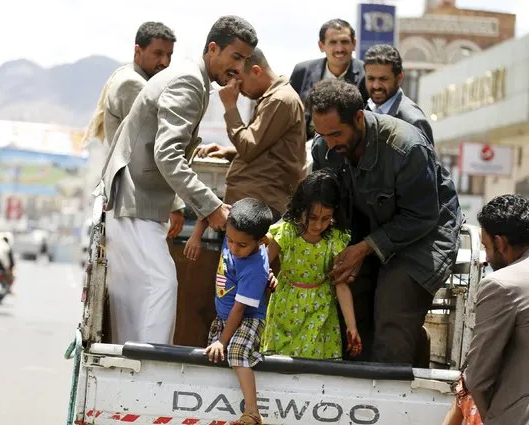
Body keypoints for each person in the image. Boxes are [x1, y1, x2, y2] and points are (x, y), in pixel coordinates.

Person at [99, 16, 258, 345]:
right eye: (236, 57)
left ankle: (134, 373)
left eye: (245, 61)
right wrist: (211, 207)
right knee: (161, 284)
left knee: (134, 299)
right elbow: (168, 155)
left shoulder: (193, 78)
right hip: (135, 198)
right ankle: (153, 365)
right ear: (213, 48)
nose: (240, 69)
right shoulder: (189, 81)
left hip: (135, 198)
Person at [308, 79, 461, 365]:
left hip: (423, 235)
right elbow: (326, 203)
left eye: (336, 134)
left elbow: (423, 216)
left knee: (394, 303)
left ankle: (388, 396)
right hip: (365, 234)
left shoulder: (406, 146)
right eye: (322, 134)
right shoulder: (324, 147)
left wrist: (365, 249)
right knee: (343, 298)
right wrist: (342, 251)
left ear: (358, 118)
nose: (329, 143)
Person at [186, 47, 307, 261]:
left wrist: (230, 106)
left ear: (257, 71)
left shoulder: (280, 100)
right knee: (231, 282)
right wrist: (230, 152)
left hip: (258, 211)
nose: (237, 90)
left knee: (246, 283)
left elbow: (249, 147)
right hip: (248, 207)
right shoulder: (272, 98)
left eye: (239, 81)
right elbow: (268, 150)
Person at [464, 194, 529, 425]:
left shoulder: (502, 284)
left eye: (486, 246)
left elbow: (478, 378)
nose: (486, 257)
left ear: (500, 243)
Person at [83, 22, 183, 240]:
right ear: (138, 51)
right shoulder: (133, 84)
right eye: (157, 53)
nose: (164, 62)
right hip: (134, 199)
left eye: (169, 55)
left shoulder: (133, 77)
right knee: (160, 274)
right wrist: (175, 204)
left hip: (131, 199)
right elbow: (148, 147)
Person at [261, 169, 362, 359]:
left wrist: (352, 326)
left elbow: (340, 284)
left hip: (321, 311)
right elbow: (262, 264)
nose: (317, 225)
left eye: (326, 219)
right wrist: (267, 274)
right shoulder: (286, 232)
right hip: (284, 309)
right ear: (300, 208)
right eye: (313, 217)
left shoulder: (335, 240)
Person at [205, 198, 274, 425]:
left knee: (235, 352)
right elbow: (206, 212)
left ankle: (252, 412)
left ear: (260, 241)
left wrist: (223, 342)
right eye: (230, 240)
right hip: (226, 316)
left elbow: (240, 309)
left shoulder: (254, 268)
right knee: (214, 354)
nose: (233, 248)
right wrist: (197, 235)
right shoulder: (237, 230)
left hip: (248, 319)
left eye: (242, 245)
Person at [289, 19, 366, 140]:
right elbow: (289, 115)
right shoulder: (302, 71)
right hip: (304, 145)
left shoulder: (366, 74)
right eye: (333, 42)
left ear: (354, 44)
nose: (339, 48)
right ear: (321, 46)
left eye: (344, 42)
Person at [363, 44, 434, 145]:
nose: (376, 85)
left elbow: (425, 160)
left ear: (399, 78)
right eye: (371, 79)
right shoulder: (364, 113)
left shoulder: (412, 121)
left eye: (383, 79)